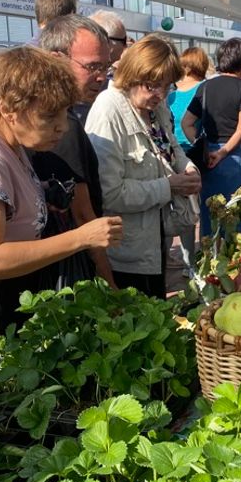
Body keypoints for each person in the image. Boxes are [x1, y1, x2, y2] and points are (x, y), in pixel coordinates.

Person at [0, 47, 122, 383]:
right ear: (6, 109)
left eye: (65, 114)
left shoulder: (1, 136)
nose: (61, 128)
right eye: (48, 117)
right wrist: (81, 237)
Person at [85, 35, 202, 297]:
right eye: (152, 86)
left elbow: (171, 148)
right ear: (133, 75)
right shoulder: (109, 111)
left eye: (166, 87)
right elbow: (110, 194)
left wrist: (189, 167)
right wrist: (169, 186)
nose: (159, 95)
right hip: (127, 254)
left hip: (155, 242)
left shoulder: (155, 108)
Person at [35, 15, 112, 217]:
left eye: (105, 67)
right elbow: (82, 214)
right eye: (92, 66)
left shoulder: (48, 113)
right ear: (56, 60)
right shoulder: (59, 123)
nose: (102, 76)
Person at [181, 38, 241, 236]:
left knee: (211, 220)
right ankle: (238, 265)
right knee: (237, 219)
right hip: (234, 157)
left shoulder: (205, 87)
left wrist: (201, 146)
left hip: (208, 159)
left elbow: (186, 122)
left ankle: (210, 263)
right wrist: (222, 152)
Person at [167, 46, 210, 276]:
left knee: (180, 211)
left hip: (173, 154)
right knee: (198, 210)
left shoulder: (170, 94)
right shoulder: (203, 89)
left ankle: (185, 260)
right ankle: (198, 261)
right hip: (195, 153)